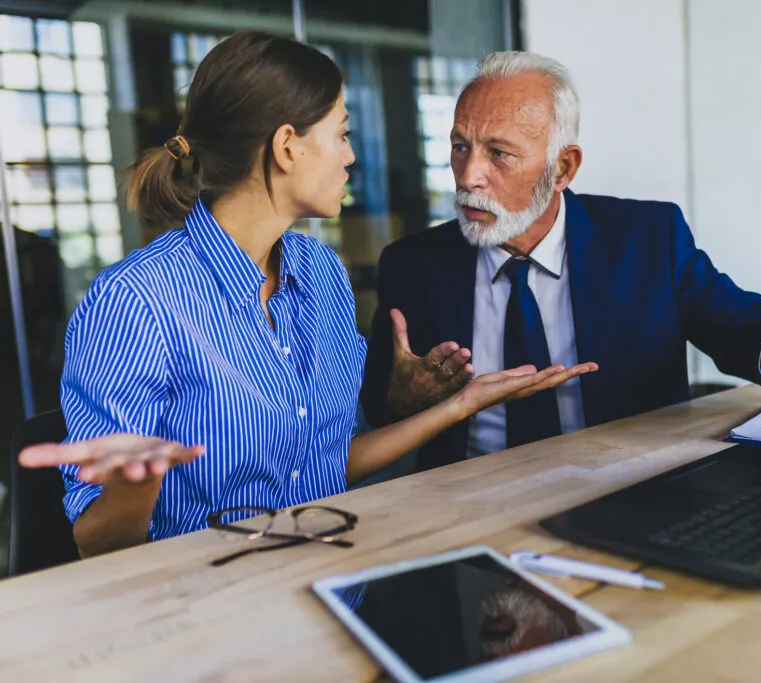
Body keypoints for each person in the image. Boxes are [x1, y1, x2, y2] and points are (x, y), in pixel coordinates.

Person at [17, 32, 594, 559]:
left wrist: (460, 405)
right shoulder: (135, 302)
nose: (350, 156)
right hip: (205, 619)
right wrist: (136, 483)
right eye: (340, 134)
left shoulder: (321, 272)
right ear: (288, 147)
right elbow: (97, 543)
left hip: (332, 582)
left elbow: (324, 466)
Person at [361, 51, 761, 471]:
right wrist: (404, 399)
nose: (469, 176)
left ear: (563, 168)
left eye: (499, 153)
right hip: (464, 516)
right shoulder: (412, 265)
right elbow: (382, 408)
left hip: (623, 498)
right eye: (460, 147)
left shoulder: (648, 239)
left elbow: (734, 326)